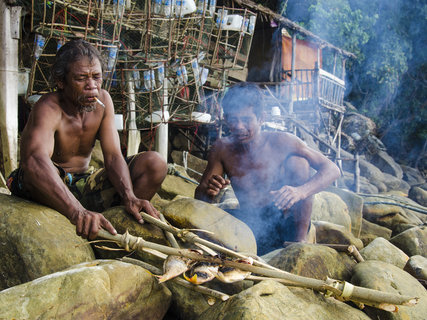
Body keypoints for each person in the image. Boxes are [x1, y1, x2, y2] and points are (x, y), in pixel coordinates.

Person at [7, 39, 167, 240]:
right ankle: (83, 218)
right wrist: (77, 212)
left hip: (83, 183)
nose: (92, 86)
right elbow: (34, 161)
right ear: (61, 81)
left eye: (96, 77)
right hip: (45, 184)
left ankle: (111, 228)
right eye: (81, 78)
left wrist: (130, 196)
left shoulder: (103, 101)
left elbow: (113, 156)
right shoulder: (48, 107)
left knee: (155, 164)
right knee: (41, 167)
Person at [195, 82, 341, 255]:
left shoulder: (283, 141)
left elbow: (332, 169)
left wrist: (300, 191)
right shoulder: (222, 149)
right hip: (251, 224)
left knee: (298, 162)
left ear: (261, 118)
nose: (239, 127)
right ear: (226, 119)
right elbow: (200, 200)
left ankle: (298, 245)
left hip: (287, 224)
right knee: (208, 226)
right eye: (233, 120)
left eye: (246, 120)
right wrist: (210, 191)